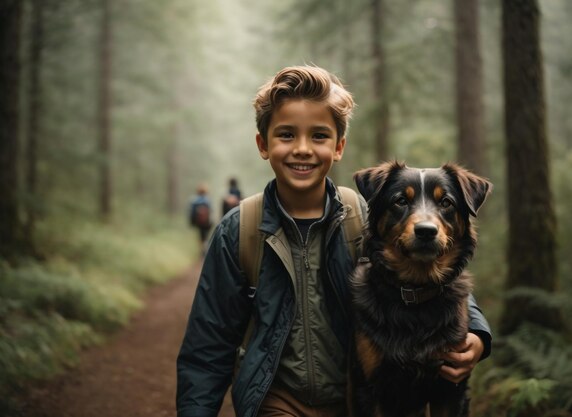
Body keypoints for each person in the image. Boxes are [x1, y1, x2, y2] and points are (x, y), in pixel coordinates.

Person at [176, 66, 492, 417]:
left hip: (355, 400)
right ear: (263, 144)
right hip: (278, 401)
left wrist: (478, 332)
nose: (302, 149)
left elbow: (436, 273)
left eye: (319, 136)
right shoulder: (239, 230)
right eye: (285, 135)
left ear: (339, 146)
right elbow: (207, 348)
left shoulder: (358, 215)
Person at [189, 183, 213, 255]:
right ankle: (205, 249)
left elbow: (192, 213)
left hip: (199, 222)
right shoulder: (208, 200)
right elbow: (211, 211)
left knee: (200, 236)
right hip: (207, 222)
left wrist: (192, 222)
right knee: (206, 236)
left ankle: (202, 250)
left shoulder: (194, 201)